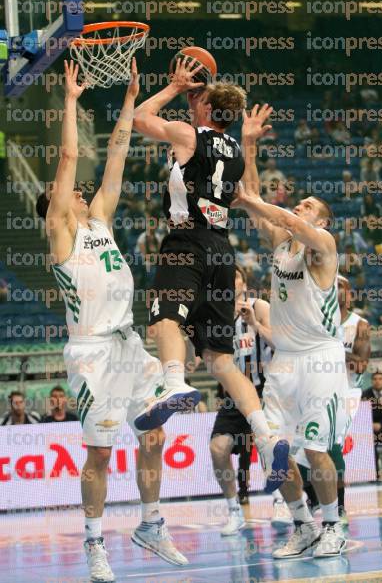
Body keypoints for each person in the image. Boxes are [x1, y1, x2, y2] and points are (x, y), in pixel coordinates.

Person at [35, 60, 187, 582]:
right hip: (93, 354)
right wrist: (73, 100)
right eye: (73, 191)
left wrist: (132, 99)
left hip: (127, 346)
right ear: (55, 205)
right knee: (99, 453)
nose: (83, 190)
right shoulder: (60, 230)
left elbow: (117, 152)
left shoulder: (98, 219)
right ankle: (95, 543)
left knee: (154, 436)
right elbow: (70, 156)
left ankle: (150, 524)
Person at [131, 57, 289, 488]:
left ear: (204, 110)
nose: (188, 103)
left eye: (193, 99)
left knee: (165, 319)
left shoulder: (188, 134)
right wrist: (251, 142)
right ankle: (265, 432)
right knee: (220, 358)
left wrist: (172, 86)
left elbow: (137, 118)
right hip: (223, 252)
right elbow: (249, 195)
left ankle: (173, 383)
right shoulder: (235, 151)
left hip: (187, 244)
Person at [232, 106, 348, 558]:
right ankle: (301, 525)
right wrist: (249, 143)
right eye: (299, 203)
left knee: (317, 448)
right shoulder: (282, 247)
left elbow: (281, 216)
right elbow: (256, 195)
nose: (300, 207)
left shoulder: (324, 246)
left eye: (308, 207)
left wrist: (255, 203)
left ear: (322, 221)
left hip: (320, 358)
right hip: (284, 360)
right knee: (272, 449)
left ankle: (332, 526)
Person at [296, 275, 371, 526]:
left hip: (347, 392)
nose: (336, 291)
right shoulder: (316, 321)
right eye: (332, 287)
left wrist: (333, 347)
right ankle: (317, 497)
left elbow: (360, 365)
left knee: (333, 443)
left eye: (341, 287)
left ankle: (338, 506)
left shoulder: (359, 324)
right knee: (305, 446)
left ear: (349, 294)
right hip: (319, 388)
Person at [209, 264, 273, 535]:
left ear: (244, 284)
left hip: (265, 392)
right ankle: (234, 510)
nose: (230, 282)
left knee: (272, 449)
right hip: (235, 396)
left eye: (234, 277)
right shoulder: (216, 316)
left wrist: (254, 324)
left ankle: (285, 503)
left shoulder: (260, 306)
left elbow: (279, 342)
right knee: (218, 449)